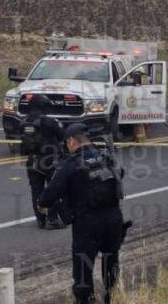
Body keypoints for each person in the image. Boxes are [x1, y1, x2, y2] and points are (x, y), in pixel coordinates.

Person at [38, 123, 127, 304]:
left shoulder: (70, 165)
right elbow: (120, 174)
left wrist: (41, 204)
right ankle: (113, 296)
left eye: (66, 143)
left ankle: (86, 300)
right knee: (111, 262)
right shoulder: (107, 157)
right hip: (114, 220)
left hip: (88, 225)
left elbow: (49, 195)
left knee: (83, 269)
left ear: (71, 141)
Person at [20, 94, 66, 229]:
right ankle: (52, 219)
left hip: (32, 160)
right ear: (43, 106)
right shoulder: (50, 122)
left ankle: (40, 219)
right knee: (53, 189)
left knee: (36, 190)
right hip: (49, 160)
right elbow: (62, 135)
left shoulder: (24, 122)